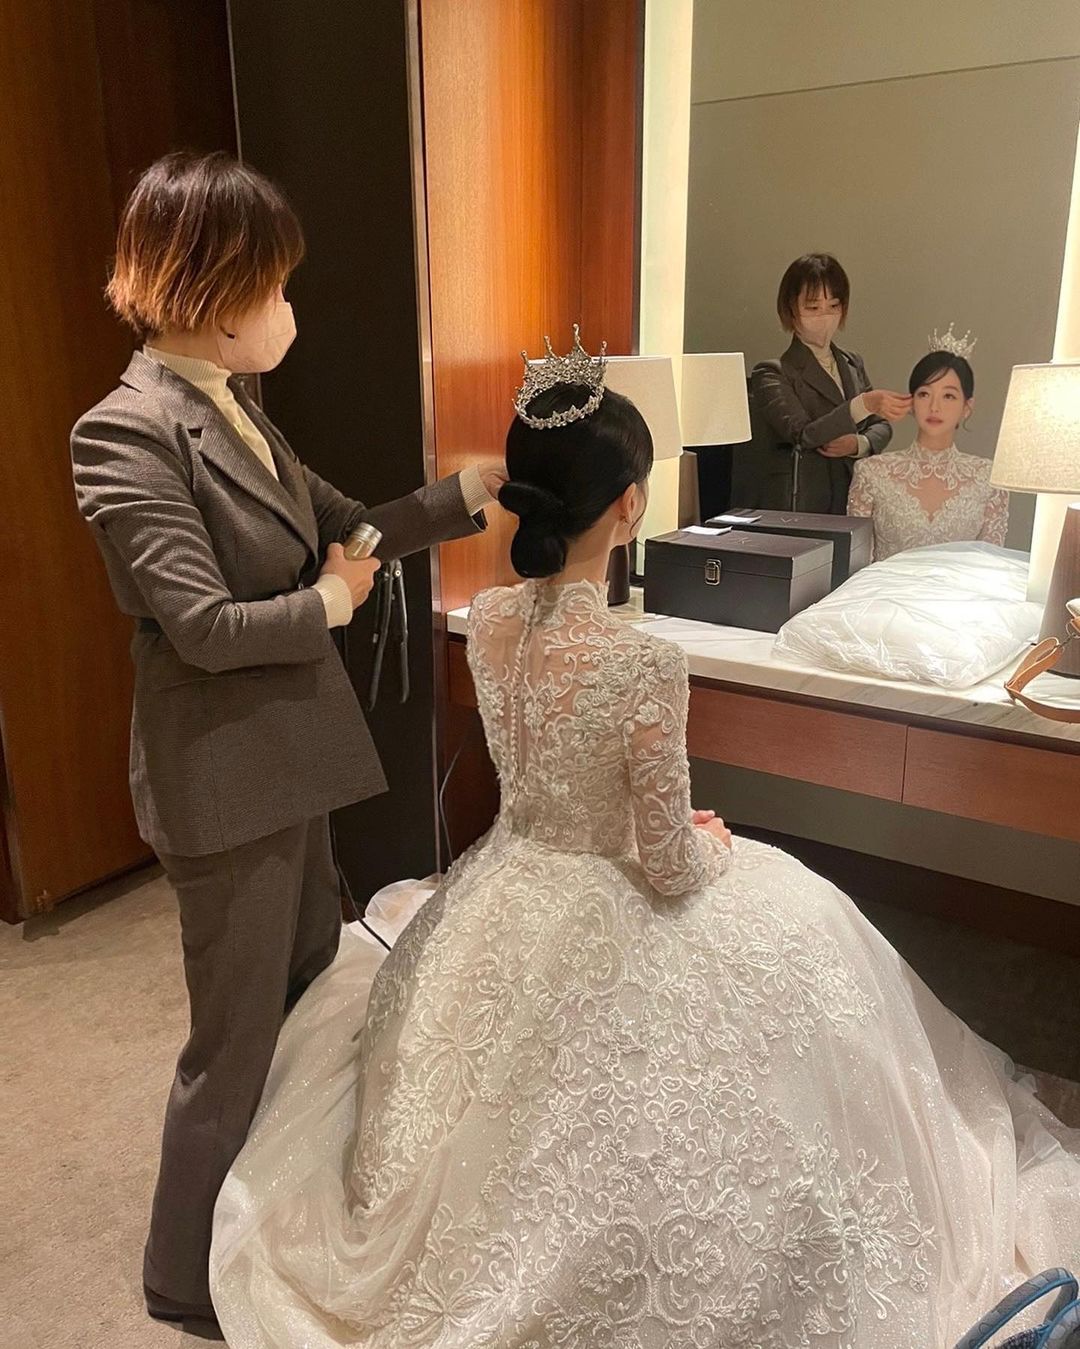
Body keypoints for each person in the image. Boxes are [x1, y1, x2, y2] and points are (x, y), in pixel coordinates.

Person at [208, 338, 1079, 1349]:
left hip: (502, 876)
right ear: (629, 504)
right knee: (807, 939)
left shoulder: (490, 620)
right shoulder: (643, 662)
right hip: (608, 881)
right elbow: (666, 864)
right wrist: (709, 842)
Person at [69, 151, 505, 1332]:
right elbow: (204, 626)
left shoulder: (235, 405)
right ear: (214, 289)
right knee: (235, 1036)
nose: (285, 308)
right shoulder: (124, 434)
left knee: (310, 989)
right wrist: (330, 603)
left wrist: (469, 490)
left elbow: (349, 525)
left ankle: (266, 1225)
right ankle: (179, 1275)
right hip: (222, 777)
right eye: (273, 284)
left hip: (290, 757)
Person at [749, 253, 909, 512]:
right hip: (808, 501)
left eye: (833, 306)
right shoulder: (773, 373)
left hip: (855, 494)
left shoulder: (851, 362)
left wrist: (859, 444)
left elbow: (880, 426)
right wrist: (863, 404)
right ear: (791, 309)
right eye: (813, 308)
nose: (824, 316)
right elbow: (803, 434)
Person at [848, 340, 1010, 560]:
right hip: (885, 583)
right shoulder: (872, 472)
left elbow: (989, 564)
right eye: (924, 394)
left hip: (963, 583)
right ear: (911, 401)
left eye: (948, 396)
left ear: (967, 407)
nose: (935, 407)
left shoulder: (989, 479)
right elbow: (855, 564)